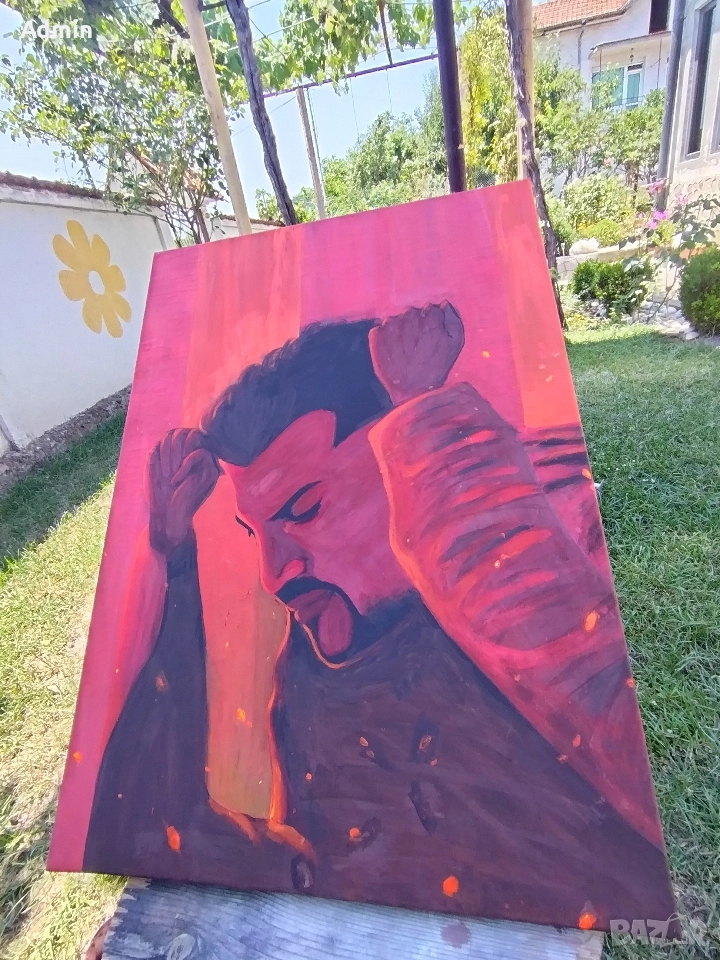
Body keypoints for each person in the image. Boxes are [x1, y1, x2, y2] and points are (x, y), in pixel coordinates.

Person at [84, 303, 676, 931]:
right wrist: (175, 565)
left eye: (306, 509)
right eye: (255, 534)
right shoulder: (313, 672)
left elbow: (602, 706)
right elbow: (163, 840)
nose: (276, 575)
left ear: (404, 460)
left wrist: (426, 413)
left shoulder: (551, 525)